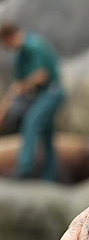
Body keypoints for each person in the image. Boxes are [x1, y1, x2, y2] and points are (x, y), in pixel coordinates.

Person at [0, 22, 64, 180]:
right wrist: (3, 109)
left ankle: (24, 169)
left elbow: (41, 75)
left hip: (51, 93)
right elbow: (16, 85)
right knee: (47, 135)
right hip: (41, 95)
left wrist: (24, 86)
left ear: (8, 37)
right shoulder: (21, 53)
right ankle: (50, 177)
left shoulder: (33, 46)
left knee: (31, 121)